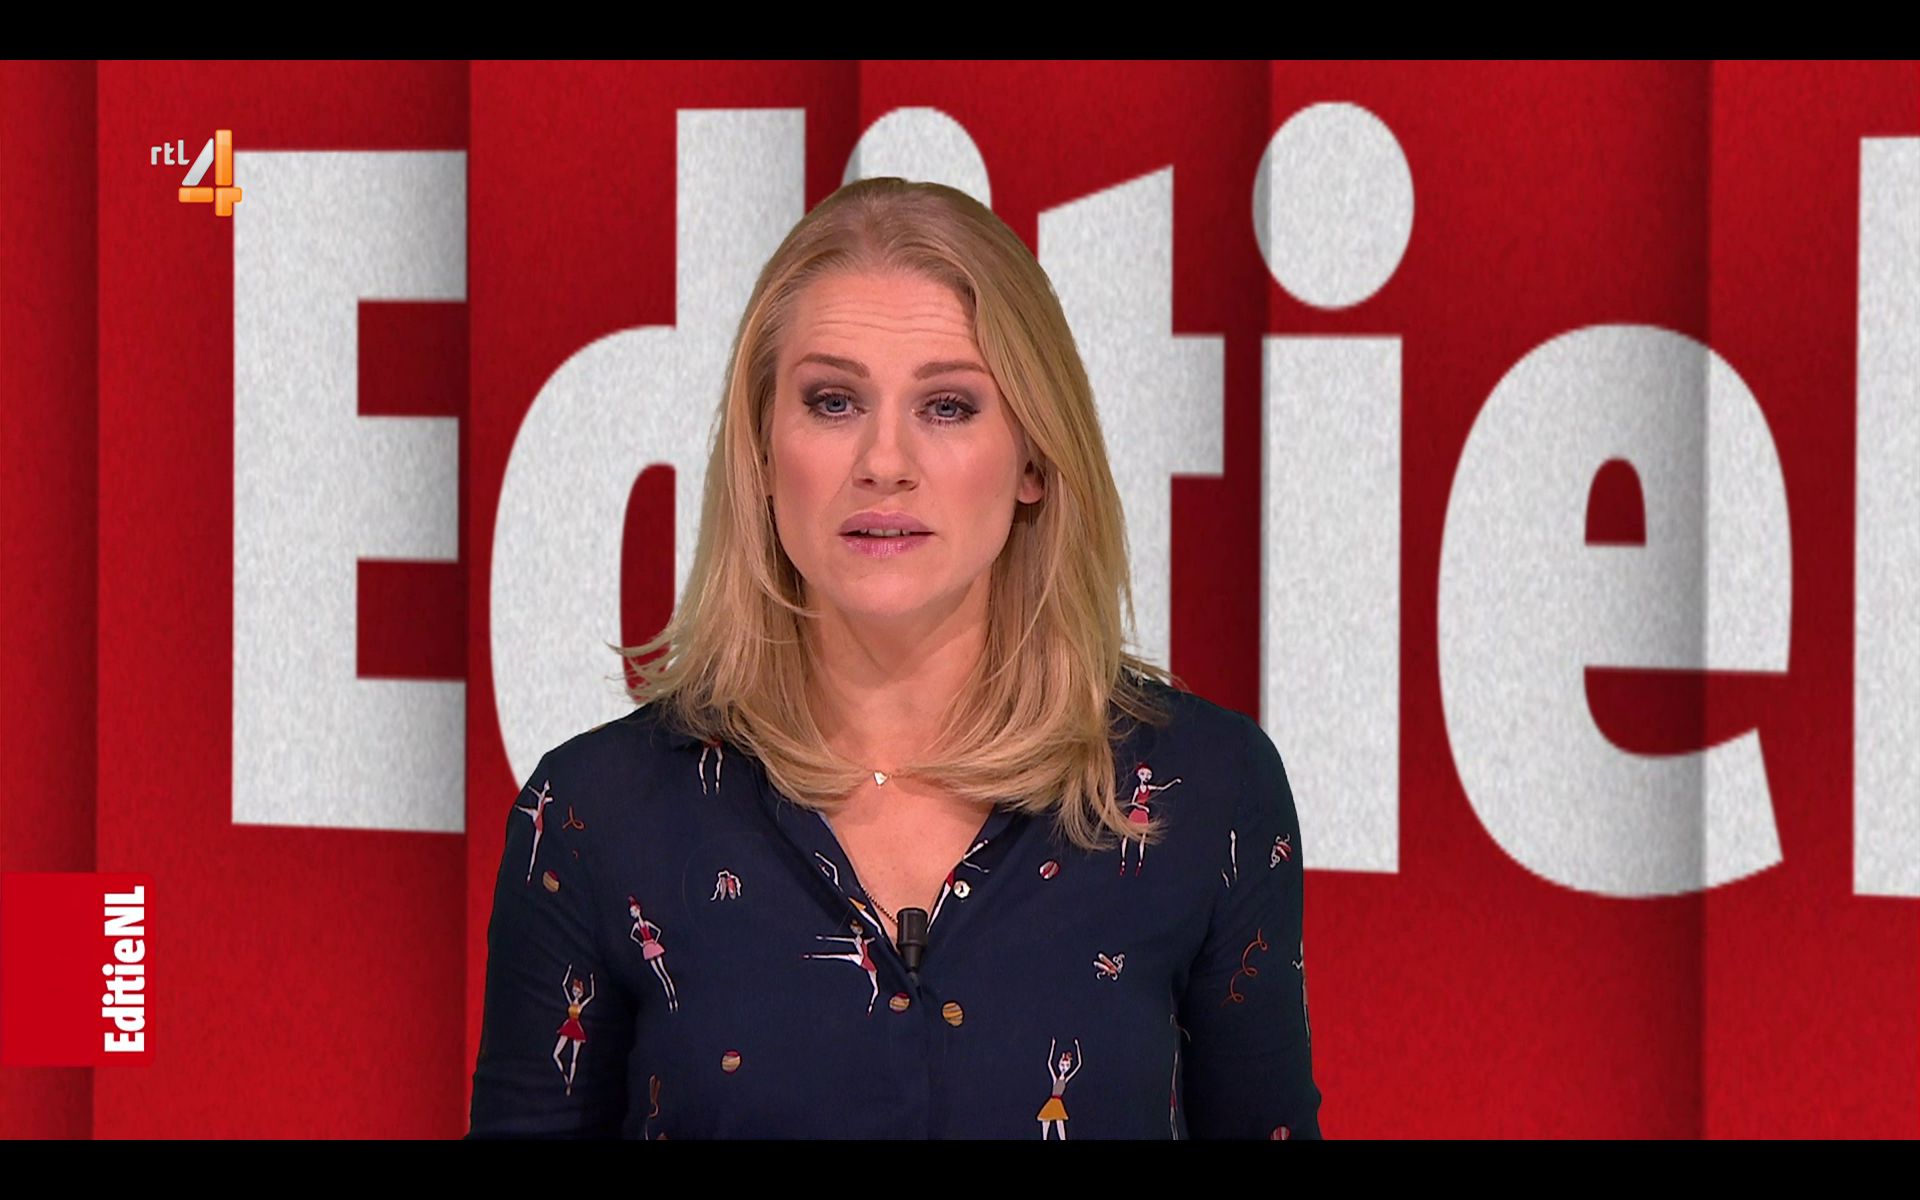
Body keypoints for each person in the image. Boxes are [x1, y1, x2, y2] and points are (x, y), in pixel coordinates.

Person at [467, 177, 1322, 1139]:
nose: (884, 461)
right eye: (833, 402)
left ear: (1034, 458)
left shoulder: (1209, 792)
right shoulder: (592, 815)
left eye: (947, 406)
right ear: (762, 452)